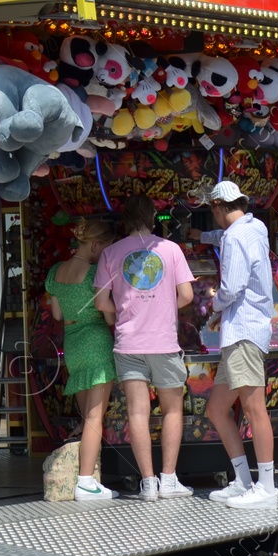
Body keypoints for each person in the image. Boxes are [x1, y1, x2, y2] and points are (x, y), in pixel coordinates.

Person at [94, 195, 195, 502]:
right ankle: (169, 479)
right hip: (164, 342)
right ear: (153, 218)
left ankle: (147, 483)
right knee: (172, 409)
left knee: (138, 413)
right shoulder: (171, 249)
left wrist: (122, 312)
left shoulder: (111, 253)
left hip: (128, 344)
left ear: (125, 220)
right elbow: (188, 295)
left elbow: (100, 302)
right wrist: (165, 309)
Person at [198, 180, 278, 511]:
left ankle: (267, 487)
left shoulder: (233, 237)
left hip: (243, 329)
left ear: (218, 206)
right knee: (217, 410)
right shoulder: (256, 227)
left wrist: (215, 304)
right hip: (247, 330)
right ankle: (244, 481)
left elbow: (231, 287)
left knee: (254, 409)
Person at [45, 217, 118, 502]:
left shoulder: (56, 273)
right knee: (94, 418)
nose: (106, 253)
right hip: (96, 342)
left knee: (87, 416)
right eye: (106, 247)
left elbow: (57, 315)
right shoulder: (95, 273)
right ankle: (86, 482)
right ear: (96, 244)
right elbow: (108, 315)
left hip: (72, 345)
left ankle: (88, 478)